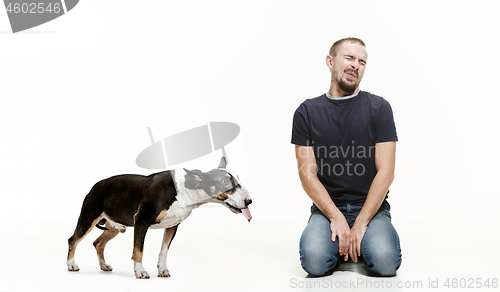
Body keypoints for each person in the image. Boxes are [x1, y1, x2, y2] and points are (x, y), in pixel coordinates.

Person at [291, 37, 402, 277]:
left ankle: (357, 241)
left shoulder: (380, 108)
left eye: (362, 61)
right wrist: (336, 217)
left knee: (384, 263)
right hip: (327, 209)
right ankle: (346, 244)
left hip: (372, 208)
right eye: (349, 58)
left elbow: (386, 172)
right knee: (315, 263)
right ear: (330, 61)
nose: (356, 65)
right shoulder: (306, 112)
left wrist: (361, 222)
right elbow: (307, 176)